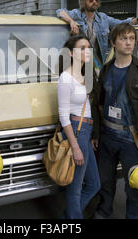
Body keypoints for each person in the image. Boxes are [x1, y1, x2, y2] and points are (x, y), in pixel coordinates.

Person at [92, 23, 138, 219]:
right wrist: (96, 133)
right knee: (105, 182)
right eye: (123, 38)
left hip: (132, 138)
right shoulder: (106, 70)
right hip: (107, 136)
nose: (129, 42)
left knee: (134, 186)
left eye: (131, 38)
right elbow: (98, 104)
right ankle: (103, 213)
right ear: (113, 42)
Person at [57, 34, 101, 219]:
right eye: (82, 48)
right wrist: (75, 146)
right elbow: (63, 116)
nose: (87, 51)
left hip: (85, 130)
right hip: (76, 130)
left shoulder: (85, 75)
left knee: (94, 184)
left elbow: (89, 106)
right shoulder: (66, 78)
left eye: (88, 47)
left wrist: (91, 135)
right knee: (75, 187)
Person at [56, 0, 138, 70]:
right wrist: (71, 21)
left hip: (97, 62)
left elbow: (121, 23)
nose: (94, 2)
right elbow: (60, 11)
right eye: (91, 0)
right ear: (83, 3)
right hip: (80, 60)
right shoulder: (77, 14)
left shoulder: (103, 18)